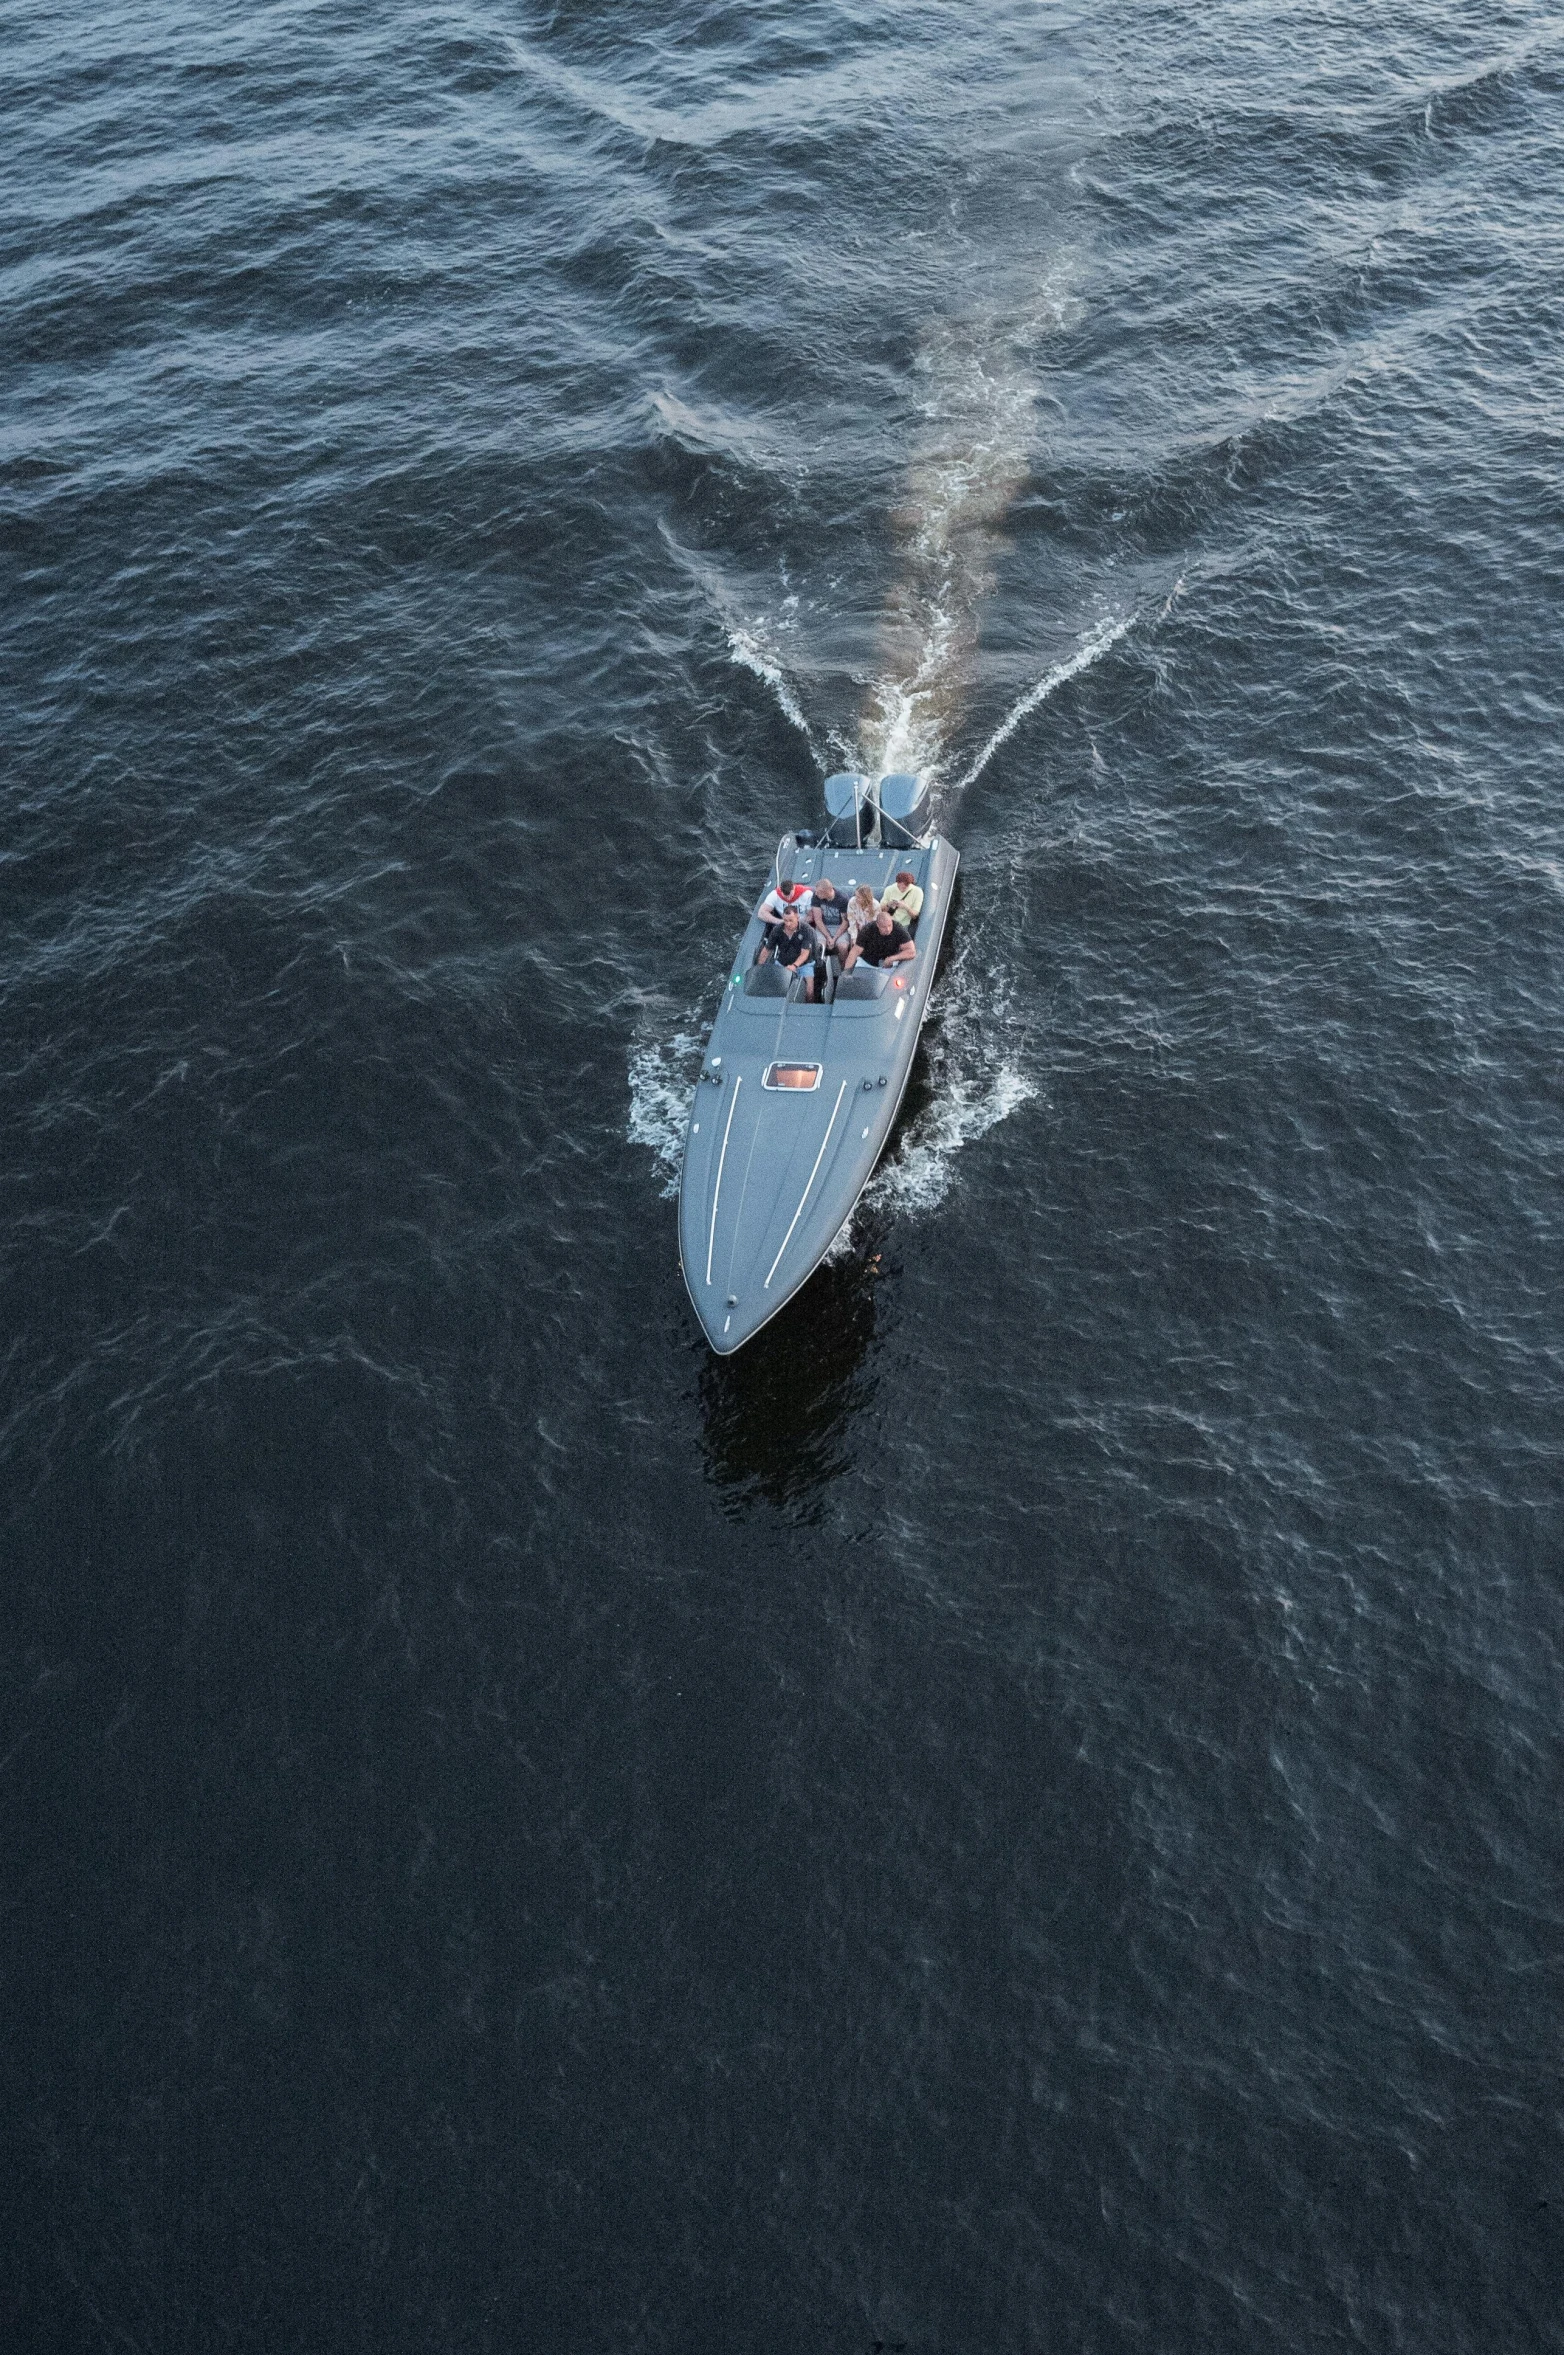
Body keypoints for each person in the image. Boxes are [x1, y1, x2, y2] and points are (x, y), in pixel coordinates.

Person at [757, 905, 818, 999]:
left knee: (809, 991)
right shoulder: (777, 930)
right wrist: (759, 968)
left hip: (804, 965)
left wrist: (794, 966)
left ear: (797, 917)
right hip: (782, 963)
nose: (788, 924)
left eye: (791, 920)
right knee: (773, 988)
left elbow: (805, 954)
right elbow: (767, 950)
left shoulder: (807, 930)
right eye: (785, 920)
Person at [841, 906, 915, 974]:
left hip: (890, 966)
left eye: (889, 925)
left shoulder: (898, 929)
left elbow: (911, 951)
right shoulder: (867, 930)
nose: (888, 929)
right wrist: (846, 972)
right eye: (884, 927)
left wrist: (893, 958)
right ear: (878, 925)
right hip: (867, 964)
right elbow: (855, 952)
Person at [809, 878, 851, 958]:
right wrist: (828, 936)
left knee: (843, 947)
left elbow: (845, 922)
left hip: (839, 927)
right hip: (823, 927)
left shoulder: (842, 899)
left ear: (828, 891)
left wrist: (834, 939)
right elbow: (818, 919)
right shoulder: (816, 897)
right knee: (818, 946)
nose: (816, 894)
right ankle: (820, 966)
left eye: (820, 892)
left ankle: (844, 968)